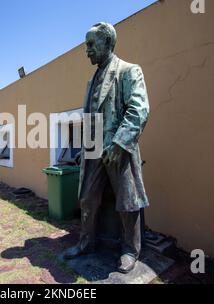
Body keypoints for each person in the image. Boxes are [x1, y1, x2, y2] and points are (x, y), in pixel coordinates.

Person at [63, 22, 150, 274]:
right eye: (86, 44)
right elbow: (91, 119)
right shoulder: (91, 82)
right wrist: (85, 147)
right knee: (87, 198)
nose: (86, 50)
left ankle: (130, 250)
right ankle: (86, 243)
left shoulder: (128, 71)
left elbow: (138, 110)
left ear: (108, 43)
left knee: (127, 201)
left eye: (91, 44)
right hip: (93, 150)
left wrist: (121, 142)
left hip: (118, 149)